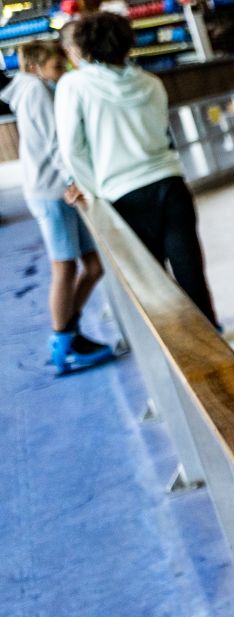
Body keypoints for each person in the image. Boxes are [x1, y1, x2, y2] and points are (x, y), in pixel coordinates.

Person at [56, 12, 219, 326]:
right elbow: (161, 133)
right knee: (190, 272)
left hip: (123, 196)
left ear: (85, 47)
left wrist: (93, 193)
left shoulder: (74, 85)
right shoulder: (151, 83)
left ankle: (180, 350)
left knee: (151, 281)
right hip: (171, 186)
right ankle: (215, 340)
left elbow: (72, 149)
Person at [2, 41, 115, 375]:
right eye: (56, 67)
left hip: (59, 190)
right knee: (64, 269)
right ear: (36, 68)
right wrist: (73, 180)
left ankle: (70, 330)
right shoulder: (35, 91)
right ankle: (62, 345)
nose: (62, 73)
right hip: (52, 194)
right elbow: (55, 144)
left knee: (93, 267)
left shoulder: (38, 88)